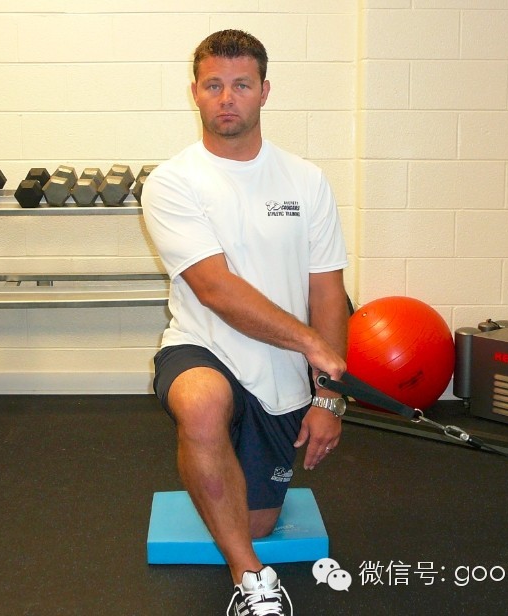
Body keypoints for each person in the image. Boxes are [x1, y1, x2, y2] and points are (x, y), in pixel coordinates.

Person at [141, 29, 349, 616]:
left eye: (241, 85)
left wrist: (329, 396)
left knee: (256, 520)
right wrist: (312, 344)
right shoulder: (173, 181)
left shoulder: (305, 181)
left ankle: (227, 495)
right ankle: (250, 578)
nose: (227, 97)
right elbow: (215, 289)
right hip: (201, 346)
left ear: (264, 91)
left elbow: (327, 291)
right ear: (195, 93)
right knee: (201, 403)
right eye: (214, 85)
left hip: (280, 372)